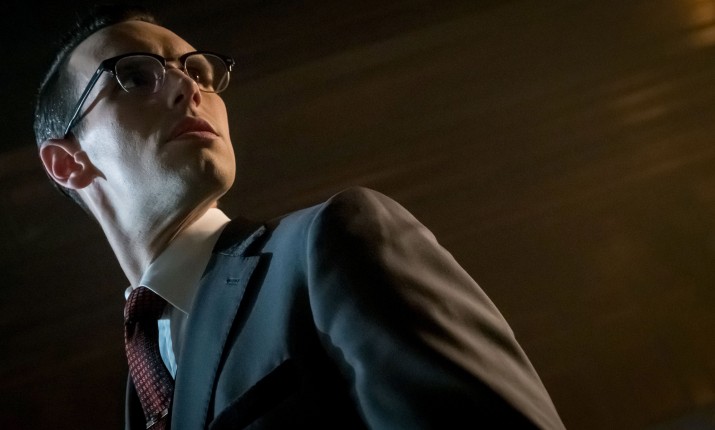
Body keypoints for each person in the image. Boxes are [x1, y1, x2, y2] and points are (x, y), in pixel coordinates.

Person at [34, 4, 566, 430]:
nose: (190, 87)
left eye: (196, 70)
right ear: (67, 162)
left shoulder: (332, 242)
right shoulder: (139, 386)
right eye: (134, 75)